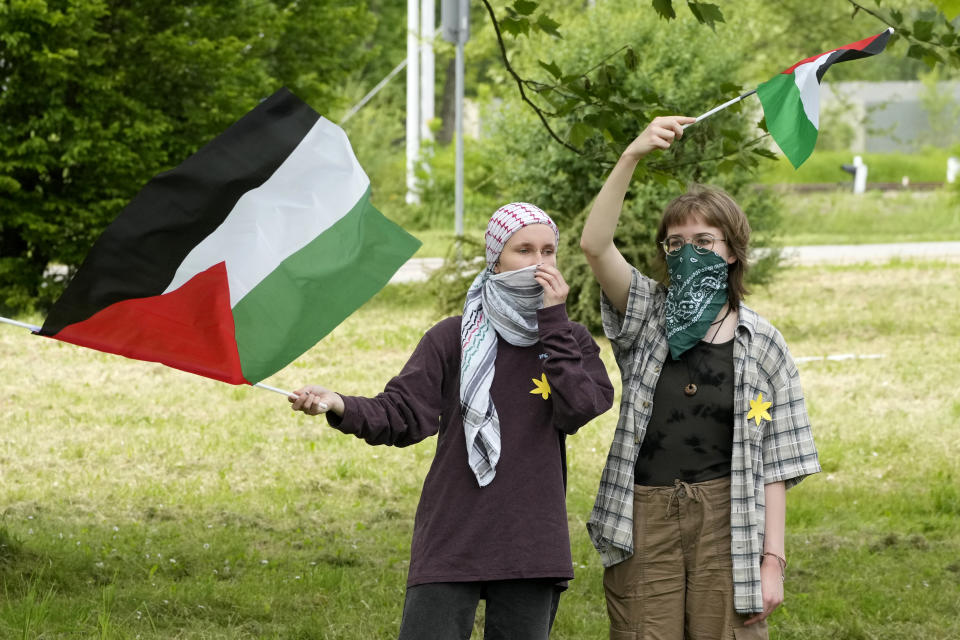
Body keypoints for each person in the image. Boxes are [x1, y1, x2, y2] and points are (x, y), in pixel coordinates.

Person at [289, 202, 614, 639]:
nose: (539, 263)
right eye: (524, 250)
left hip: (531, 536)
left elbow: (580, 407)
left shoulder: (568, 339)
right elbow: (402, 415)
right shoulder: (452, 338)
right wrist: (338, 404)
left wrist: (552, 322)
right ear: (496, 257)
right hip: (453, 530)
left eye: (548, 251)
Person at [579, 116, 821, 639]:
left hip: (728, 517)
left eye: (705, 240)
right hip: (645, 511)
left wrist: (773, 560)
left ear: (732, 250)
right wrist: (632, 156)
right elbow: (596, 246)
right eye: (676, 241)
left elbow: (777, 461)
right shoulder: (647, 314)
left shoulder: (764, 345)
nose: (690, 251)